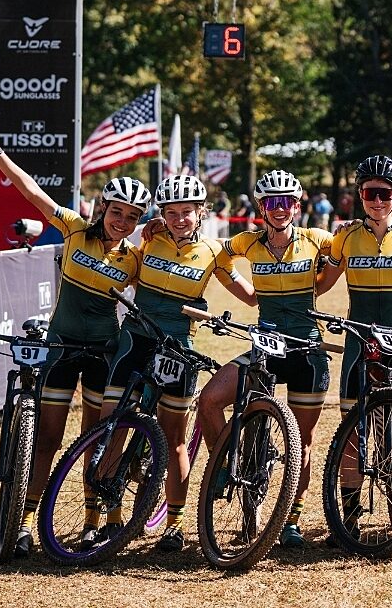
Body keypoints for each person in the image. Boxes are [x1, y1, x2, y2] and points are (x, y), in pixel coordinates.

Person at [0, 110, 150, 557]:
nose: (121, 222)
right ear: (102, 207)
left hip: (103, 352)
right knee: (47, 438)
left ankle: (92, 521)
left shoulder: (136, 256)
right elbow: (32, 192)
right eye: (116, 212)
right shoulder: (74, 229)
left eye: (132, 217)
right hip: (62, 345)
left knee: (95, 437)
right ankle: (25, 520)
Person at [101, 174, 257, 552]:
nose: (179, 219)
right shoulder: (150, 238)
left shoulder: (216, 252)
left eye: (187, 211)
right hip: (137, 336)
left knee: (174, 440)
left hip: (178, 346)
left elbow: (250, 297)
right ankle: (111, 515)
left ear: (201, 212)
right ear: (162, 215)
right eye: (172, 212)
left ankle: (174, 523)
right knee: (115, 424)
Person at [196, 169, 334, 548]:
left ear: (297, 204)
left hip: (307, 350)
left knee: (301, 441)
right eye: (272, 202)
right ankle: (225, 465)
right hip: (265, 349)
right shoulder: (247, 242)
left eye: (287, 201)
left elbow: (348, 251)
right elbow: (215, 258)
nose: (280, 209)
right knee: (208, 401)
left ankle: (291, 517)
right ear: (261, 207)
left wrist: (322, 283)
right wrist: (249, 294)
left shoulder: (316, 240)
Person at [315, 156, 392, 544]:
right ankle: (347, 520)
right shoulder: (346, 237)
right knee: (352, 429)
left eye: (385, 193)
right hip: (359, 338)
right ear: (360, 195)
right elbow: (321, 284)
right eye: (370, 192)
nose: (377, 200)